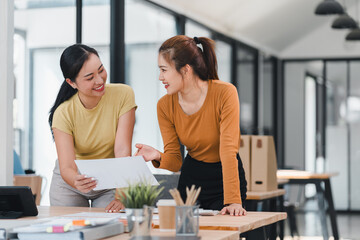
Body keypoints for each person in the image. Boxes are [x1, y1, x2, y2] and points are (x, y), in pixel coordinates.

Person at [135, 35, 247, 216]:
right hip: (192, 177)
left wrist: (233, 200)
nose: (160, 77)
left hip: (225, 178)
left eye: (164, 70)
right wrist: (157, 155)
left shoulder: (225, 93)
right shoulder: (164, 105)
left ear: (186, 70)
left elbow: (228, 150)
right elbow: (175, 160)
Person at [48, 44, 136, 212]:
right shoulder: (63, 112)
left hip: (110, 179)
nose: (100, 80)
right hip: (71, 182)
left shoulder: (124, 94)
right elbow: (67, 167)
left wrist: (122, 195)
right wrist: (76, 180)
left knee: (109, 229)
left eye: (101, 70)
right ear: (72, 83)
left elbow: (122, 149)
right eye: (89, 78)